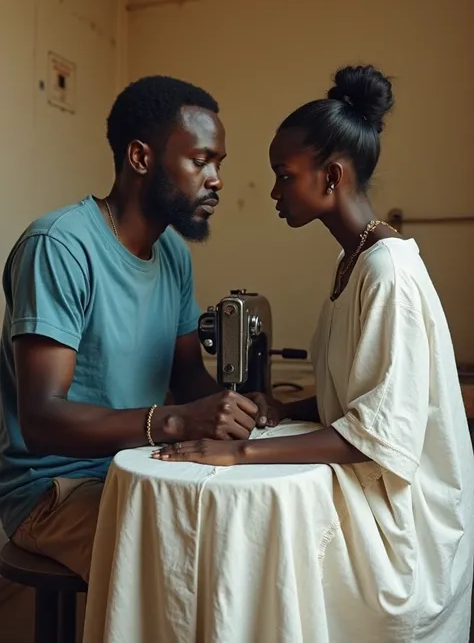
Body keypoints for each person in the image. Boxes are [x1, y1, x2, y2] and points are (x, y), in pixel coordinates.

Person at [156, 65, 474, 642]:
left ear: (331, 176)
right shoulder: (354, 263)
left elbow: (378, 438)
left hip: (407, 532)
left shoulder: (388, 270)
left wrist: (242, 452)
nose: (273, 192)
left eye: (283, 176)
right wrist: (285, 405)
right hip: (375, 484)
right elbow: (360, 398)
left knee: (252, 539)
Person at [0, 75, 258, 582]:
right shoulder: (59, 246)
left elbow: (187, 377)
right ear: (141, 158)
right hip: (55, 491)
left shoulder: (173, 256)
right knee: (190, 570)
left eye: (219, 164)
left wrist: (240, 407)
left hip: (143, 467)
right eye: (200, 161)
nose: (217, 180)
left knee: (248, 532)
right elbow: (42, 418)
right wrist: (179, 422)